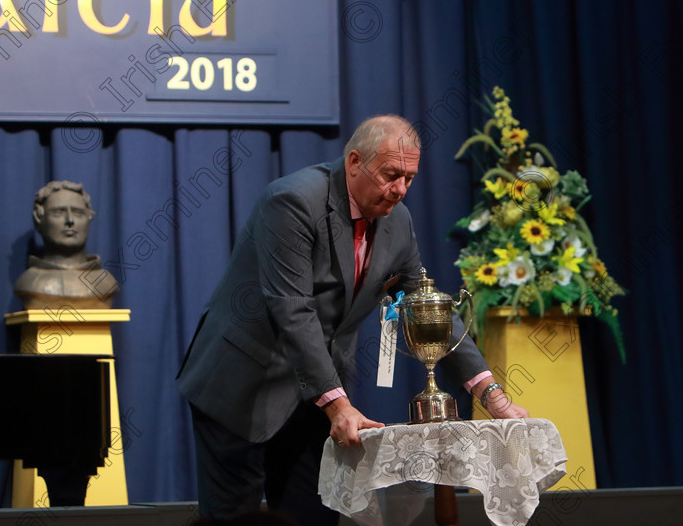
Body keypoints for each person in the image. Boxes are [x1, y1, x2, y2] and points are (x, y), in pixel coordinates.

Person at [176, 115, 528, 524]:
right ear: (355, 161)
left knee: (315, 517)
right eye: (391, 175)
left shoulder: (398, 220)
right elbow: (293, 309)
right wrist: (339, 405)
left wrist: (492, 397)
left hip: (316, 399)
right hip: (242, 388)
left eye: (410, 178)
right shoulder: (291, 201)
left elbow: (427, 306)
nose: (400, 190)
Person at [14, 180, 118, 309]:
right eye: (59, 212)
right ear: (38, 220)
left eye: (77, 212)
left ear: (89, 218)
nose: (70, 220)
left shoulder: (105, 283)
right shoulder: (29, 283)